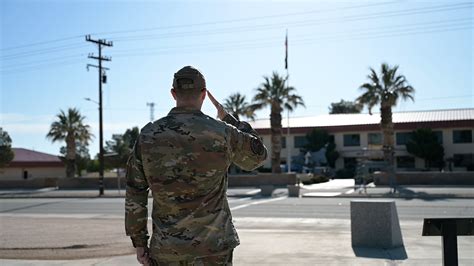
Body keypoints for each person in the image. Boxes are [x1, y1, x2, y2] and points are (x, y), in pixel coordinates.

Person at [125, 66, 268, 265]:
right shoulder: (222, 132)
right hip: (214, 249)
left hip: (168, 250)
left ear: (173, 94)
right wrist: (229, 119)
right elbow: (258, 156)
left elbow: (135, 192)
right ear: (203, 94)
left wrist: (139, 242)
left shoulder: (148, 135)